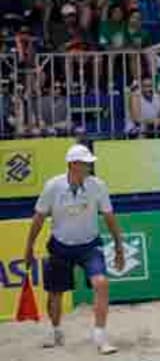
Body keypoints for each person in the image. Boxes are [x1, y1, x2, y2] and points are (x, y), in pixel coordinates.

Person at [23, 144, 123, 355]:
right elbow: (38, 218)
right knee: (55, 294)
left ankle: (100, 336)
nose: (89, 167)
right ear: (73, 165)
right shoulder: (53, 186)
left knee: (101, 283)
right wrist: (29, 247)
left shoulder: (98, 186)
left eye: (89, 163)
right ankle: (56, 331)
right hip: (61, 246)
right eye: (85, 163)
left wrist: (119, 248)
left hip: (89, 245)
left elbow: (109, 217)